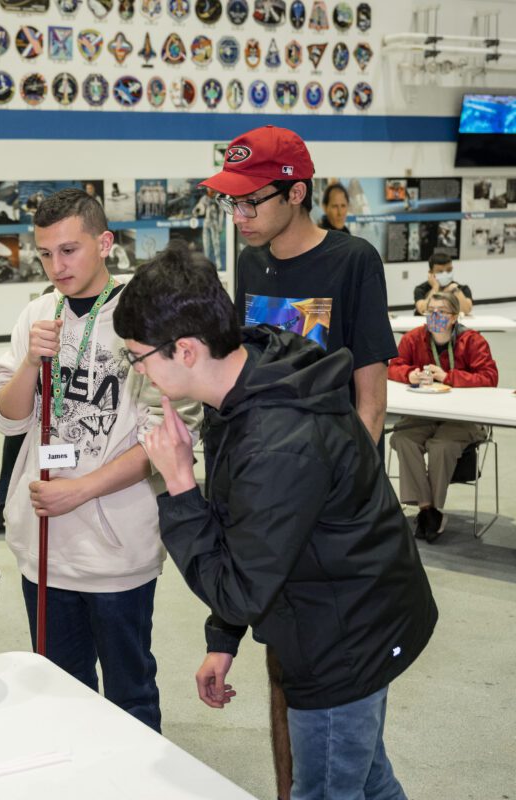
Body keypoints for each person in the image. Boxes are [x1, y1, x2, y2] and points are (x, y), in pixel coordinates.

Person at [113, 247, 438, 800]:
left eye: (137, 357)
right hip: (342, 611)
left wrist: (180, 485)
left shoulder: (275, 440)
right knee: (368, 778)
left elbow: (241, 587)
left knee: (329, 787)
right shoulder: (250, 375)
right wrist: (224, 637)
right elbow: (250, 531)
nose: (137, 370)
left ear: (185, 350)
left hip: (344, 641)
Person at [199, 124, 399, 800]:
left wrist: (343, 502)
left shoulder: (353, 261)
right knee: (330, 728)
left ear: (297, 192)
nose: (239, 215)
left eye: (251, 201)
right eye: (232, 202)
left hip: (334, 518)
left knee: (335, 713)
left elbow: (371, 402)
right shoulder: (250, 262)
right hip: (275, 504)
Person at [0, 188, 202, 732]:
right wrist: (30, 364)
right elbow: (8, 418)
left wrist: (81, 490)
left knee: (131, 694)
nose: (55, 266)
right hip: (44, 545)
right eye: (44, 254)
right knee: (60, 692)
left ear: (104, 243)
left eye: (69, 250)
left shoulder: (146, 316)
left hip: (117, 548)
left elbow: (168, 435)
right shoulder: (37, 314)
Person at [389, 291, 498, 542]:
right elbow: (393, 365)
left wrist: (448, 377)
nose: (434, 316)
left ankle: (432, 510)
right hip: (424, 413)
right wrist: (409, 374)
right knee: (403, 439)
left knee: (441, 446)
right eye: (430, 311)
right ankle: (428, 510)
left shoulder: (472, 341)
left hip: (463, 417)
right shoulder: (413, 338)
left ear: (454, 317)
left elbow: (489, 377)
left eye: (441, 312)